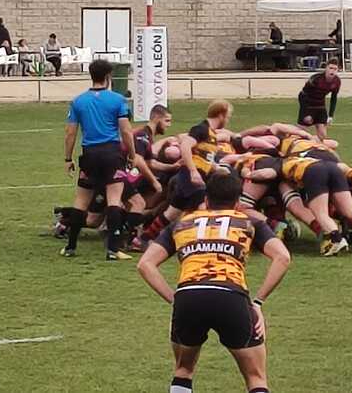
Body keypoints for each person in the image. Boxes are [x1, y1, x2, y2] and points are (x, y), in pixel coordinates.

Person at [137, 172, 291, 393]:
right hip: (231, 295)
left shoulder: (181, 224)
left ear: (206, 200)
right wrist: (257, 302)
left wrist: (175, 299)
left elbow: (145, 264)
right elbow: (282, 257)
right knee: (256, 377)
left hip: (189, 296)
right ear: (238, 202)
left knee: (183, 370)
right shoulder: (249, 222)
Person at [61, 59, 136, 260]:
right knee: (114, 200)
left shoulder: (78, 101)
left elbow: (70, 133)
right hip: (112, 154)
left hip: (90, 154)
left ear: (91, 75)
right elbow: (126, 131)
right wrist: (132, 155)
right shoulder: (117, 100)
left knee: (81, 201)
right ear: (108, 77)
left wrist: (68, 158)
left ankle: (70, 247)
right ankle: (112, 250)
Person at [139, 100, 234, 243]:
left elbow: (203, 158)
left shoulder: (211, 135)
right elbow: (185, 146)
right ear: (221, 115)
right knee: (204, 209)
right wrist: (193, 171)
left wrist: (217, 168)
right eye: (228, 117)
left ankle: (141, 239)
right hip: (192, 177)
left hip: (191, 177)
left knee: (171, 213)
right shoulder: (201, 128)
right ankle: (208, 242)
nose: (227, 120)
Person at [296, 58, 340, 141]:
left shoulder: (337, 81)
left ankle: (313, 147)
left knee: (323, 136)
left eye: (335, 69)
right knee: (300, 131)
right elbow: (302, 95)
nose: (332, 71)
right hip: (308, 104)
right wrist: (305, 113)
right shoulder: (315, 79)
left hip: (320, 106)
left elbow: (334, 98)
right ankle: (289, 139)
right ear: (326, 68)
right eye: (330, 68)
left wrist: (330, 115)